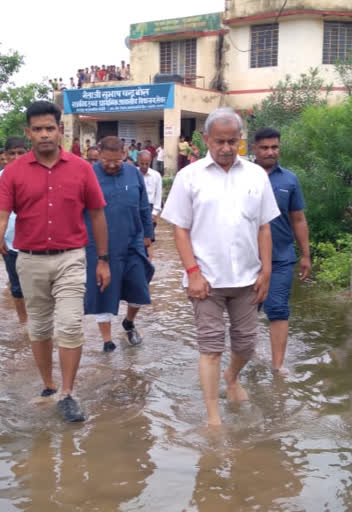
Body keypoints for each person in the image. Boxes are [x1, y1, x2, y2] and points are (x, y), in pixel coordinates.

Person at [0, 100, 111, 423]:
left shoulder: (82, 169)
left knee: (69, 324)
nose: (44, 135)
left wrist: (104, 260)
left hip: (71, 258)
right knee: (39, 327)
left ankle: (68, 393)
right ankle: (49, 386)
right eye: (37, 129)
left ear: (60, 131)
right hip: (29, 260)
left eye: (49, 128)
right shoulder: (12, 173)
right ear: (28, 133)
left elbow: (97, 215)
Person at [161, 107, 279, 426]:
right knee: (211, 347)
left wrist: (266, 271)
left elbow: (264, 227)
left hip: (248, 278)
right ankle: (214, 416)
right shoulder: (189, 177)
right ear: (205, 140)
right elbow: (180, 229)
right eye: (219, 141)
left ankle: (232, 376)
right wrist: (192, 273)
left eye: (232, 141)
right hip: (206, 281)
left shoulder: (256, 176)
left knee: (247, 344)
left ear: (241, 140)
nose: (226, 148)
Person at [85, 137, 154, 353]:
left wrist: (148, 238)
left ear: (125, 154)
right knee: (102, 292)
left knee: (139, 288)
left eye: (117, 160)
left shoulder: (133, 173)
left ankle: (128, 321)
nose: (113, 165)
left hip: (132, 242)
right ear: (98, 153)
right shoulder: (88, 175)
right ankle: (107, 341)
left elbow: (143, 207)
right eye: (107, 160)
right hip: (99, 247)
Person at [253, 127, 311, 375]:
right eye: (264, 147)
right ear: (254, 149)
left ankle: (277, 367)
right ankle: (248, 355)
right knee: (245, 311)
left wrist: (306, 254)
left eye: (274, 147)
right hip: (247, 259)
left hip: (281, 257)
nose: (270, 152)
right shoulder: (242, 177)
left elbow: (298, 218)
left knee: (277, 308)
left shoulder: (289, 179)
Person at [0, 139, 29, 323]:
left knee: (41, 286)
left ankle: (41, 324)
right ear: (5, 156)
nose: (16, 157)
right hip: (9, 241)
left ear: (28, 153)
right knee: (17, 286)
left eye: (20, 153)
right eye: (12, 154)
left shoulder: (39, 175)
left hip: (36, 241)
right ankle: (24, 322)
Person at [136, 150, 162, 259]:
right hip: (136, 208)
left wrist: (155, 213)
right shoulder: (133, 174)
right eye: (142, 163)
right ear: (138, 161)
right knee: (136, 238)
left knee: (149, 239)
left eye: (147, 163)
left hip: (150, 209)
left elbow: (158, 195)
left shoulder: (156, 176)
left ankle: (148, 265)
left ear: (150, 161)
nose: (144, 166)